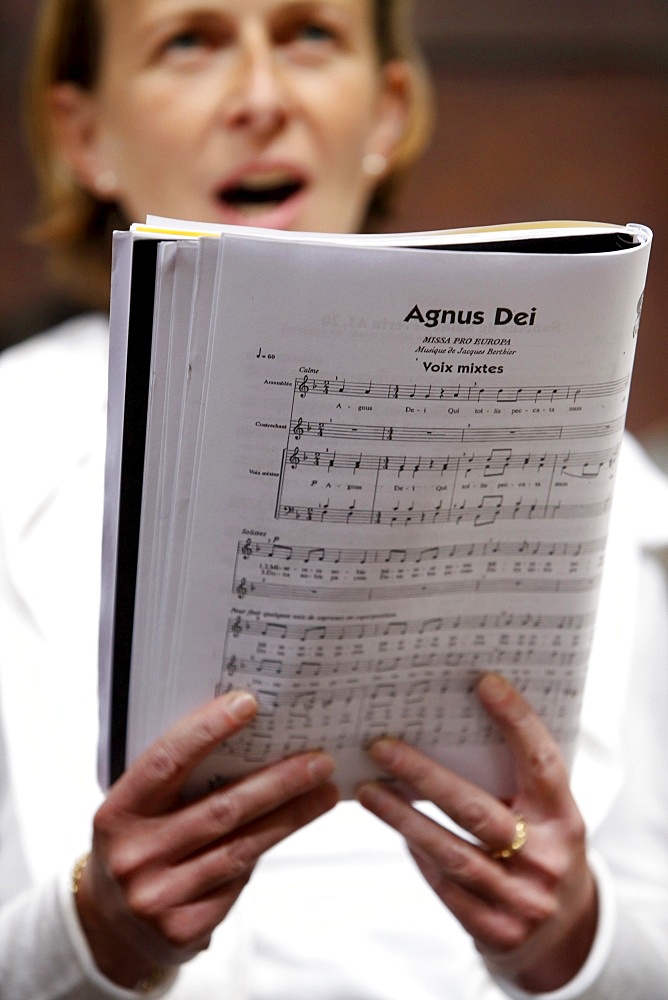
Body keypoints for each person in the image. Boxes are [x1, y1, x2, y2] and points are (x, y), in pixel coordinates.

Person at [0, 1, 666, 997]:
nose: (261, 99)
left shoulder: (603, 482)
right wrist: (92, 936)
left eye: (309, 35)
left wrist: (573, 940)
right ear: (86, 136)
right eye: (189, 42)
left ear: (388, 111)